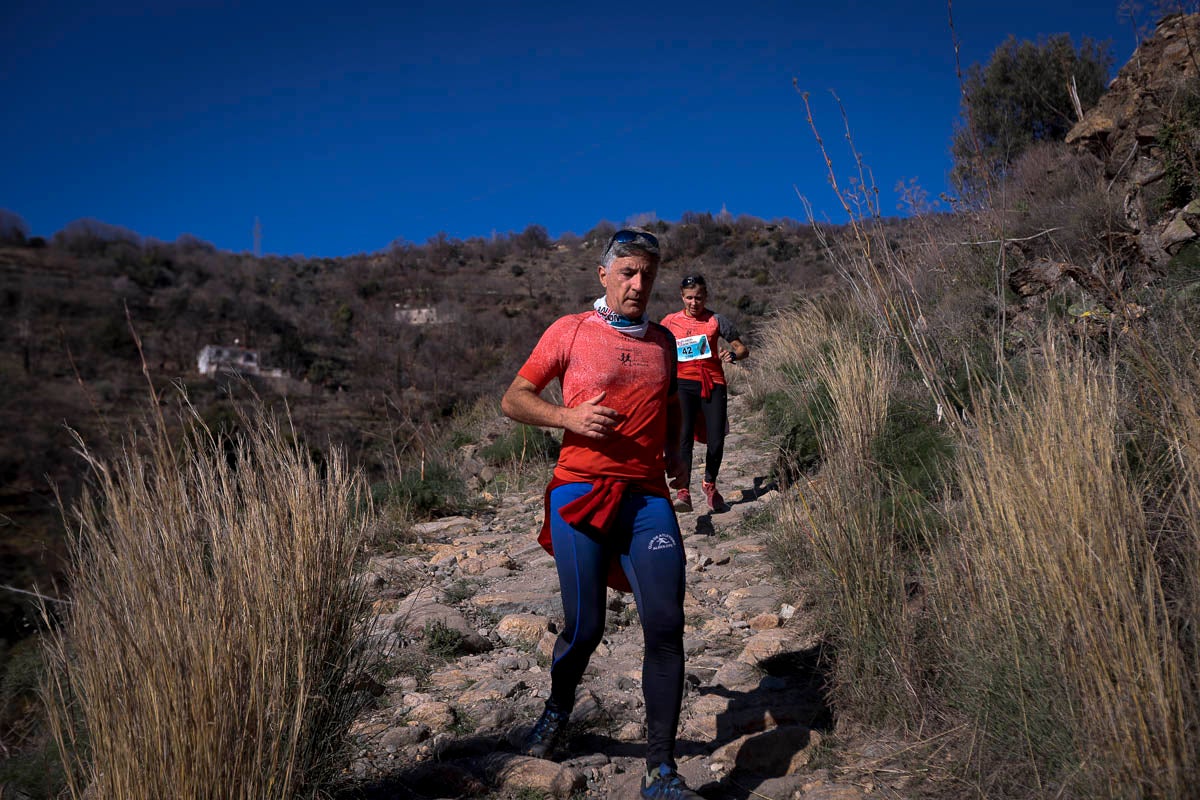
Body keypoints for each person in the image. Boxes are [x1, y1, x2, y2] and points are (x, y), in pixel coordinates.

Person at [501, 229, 706, 800]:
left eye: (647, 275)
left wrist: (682, 457)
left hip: (646, 499)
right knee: (585, 627)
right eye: (628, 273)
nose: (638, 284)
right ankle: (558, 710)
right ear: (604, 275)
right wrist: (564, 418)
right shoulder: (569, 330)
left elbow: (684, 396)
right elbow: (513, 398)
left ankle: (660, 770)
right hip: (580, 492)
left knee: (665, 627)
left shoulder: (667, 342)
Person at [659, 273, 750, 513]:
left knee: (717, 439)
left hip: (713, 382)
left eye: (698, 297)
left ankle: (709, 484)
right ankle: (684, 491)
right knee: (684, 438)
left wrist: (733, 355)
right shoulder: (669, 321)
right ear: (682, 297)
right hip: (683, 385)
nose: (694, 302)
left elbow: (743, 349)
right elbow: (656, 349)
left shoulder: (716, 320)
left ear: (705, 296)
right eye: (689, 298)